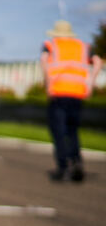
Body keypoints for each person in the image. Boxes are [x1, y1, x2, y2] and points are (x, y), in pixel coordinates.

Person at [41, 20, 103, 182]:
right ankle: (76, 161)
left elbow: (44, 63)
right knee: (72, 130)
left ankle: (62, 167)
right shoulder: (83, 47)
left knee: (59, 131)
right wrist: (90, 84)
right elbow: (97, 62)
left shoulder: (51, 45)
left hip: (59, 92)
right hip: (77, 93)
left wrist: (48, 85)